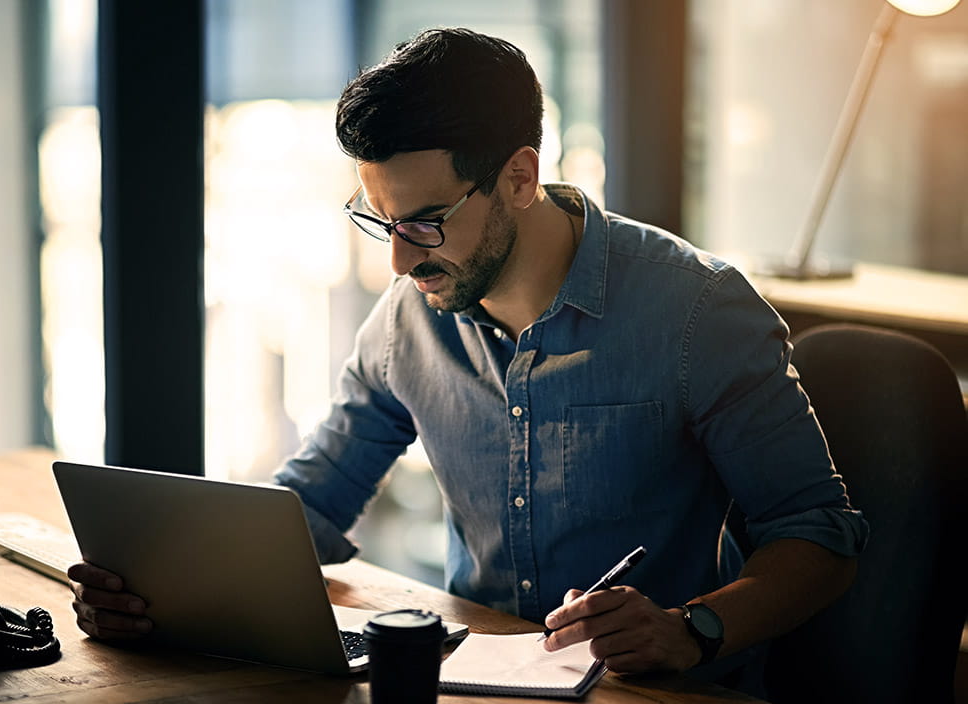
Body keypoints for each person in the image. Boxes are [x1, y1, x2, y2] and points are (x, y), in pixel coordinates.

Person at [69, 27, 867, 695]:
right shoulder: (410, 315)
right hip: (472, 684)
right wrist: (165, 593)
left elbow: (821, 539)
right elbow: (308, 506)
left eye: (423, 223)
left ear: (519, 177)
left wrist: (689, 628)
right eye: (380, 222)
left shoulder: (697, 312)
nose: (398, 265)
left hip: (655, 692)